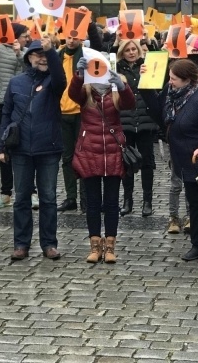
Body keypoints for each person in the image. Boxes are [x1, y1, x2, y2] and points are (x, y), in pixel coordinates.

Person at [142, 58, 198, 263]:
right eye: (169, 78)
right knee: (194, 204)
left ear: (188, 80)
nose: (170, 82)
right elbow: (156, 112)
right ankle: (197, 244)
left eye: (174, 79)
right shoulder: (171, 95)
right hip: (184, 161)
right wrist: (146, 83)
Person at [0, 37, 67, 261]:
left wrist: (52, 51)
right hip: (20, 149)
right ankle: (21, 244)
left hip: (48, 147)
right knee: (21, 200)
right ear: (29, 57)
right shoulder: (16, 82)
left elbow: (61, 79)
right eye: (38, 54)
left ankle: (49, 244)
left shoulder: (53, 82)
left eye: (45, 54)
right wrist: (1, 145)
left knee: (48, 198)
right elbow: (6, 114)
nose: (42, 58)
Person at [69, 57, 134, 264]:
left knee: (112, 202)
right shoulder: (86, 91)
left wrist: (123, 86)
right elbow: (72, 94)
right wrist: (78, 76)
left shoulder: (115, 90)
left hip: (113, 152)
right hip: (90, 153)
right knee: (93, 202)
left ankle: (110, 245)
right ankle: (95, 245)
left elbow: (130, 104)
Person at [57, 11, 104, 213]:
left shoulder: (85, 53)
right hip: (62, 112)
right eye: (69, 36)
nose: (72, 40)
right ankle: (71, 197)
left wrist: (91, 25)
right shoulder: (58, 55)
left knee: (84, 156)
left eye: (76, 37)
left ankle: (86, 198)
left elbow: (99, 46)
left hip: (82, 111)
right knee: (67, 158)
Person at [0, 20, 30, 207]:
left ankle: (30, 191)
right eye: (25, 36)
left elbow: (29, 72)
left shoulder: (26, 52)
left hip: (23, 105)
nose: (28, 39)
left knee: (25, 149)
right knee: (4, 149)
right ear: (15, 35)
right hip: (1, 104)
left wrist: (19, 54)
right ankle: (5, 192)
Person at [116, 38, 159, 217]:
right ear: (122, 53)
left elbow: (157, 83)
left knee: (147, 163)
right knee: (127, 163)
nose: (132, 52)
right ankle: (128, 200)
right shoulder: (117, 69)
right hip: (125, 121)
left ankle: (147, 201)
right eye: (128, 50)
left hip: (145, 121)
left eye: (134, 49)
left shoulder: (147, 65)